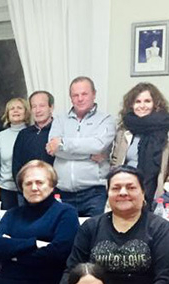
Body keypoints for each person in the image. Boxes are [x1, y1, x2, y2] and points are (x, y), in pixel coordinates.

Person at [110, 83, 169, 210]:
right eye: (137, 101)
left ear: (156, 104)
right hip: (125, 193)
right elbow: (115, 161)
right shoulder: (124, 130)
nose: (142, 106)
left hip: (157, 195)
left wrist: (167, 189)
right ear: (131, 105)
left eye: (147, 101)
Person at [46, 76, 116, 217]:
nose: (80, 98)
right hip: (62, 193)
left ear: (94, 94)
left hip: (94, 193)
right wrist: (88, 154)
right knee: (65, 237)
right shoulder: (60, 119)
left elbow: (98, 145)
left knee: (95, 236)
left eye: (84, 94)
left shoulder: (106, 119)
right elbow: (53, 148)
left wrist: (63, 143)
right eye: (75, 95)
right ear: (70, 98)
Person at [0, 97, 31, 209]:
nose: (15, 111)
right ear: (7, 114)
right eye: (12, 109)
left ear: (26, 112)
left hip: (27, 189)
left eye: (19, 108)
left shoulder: (31, 134)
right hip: (6, 191)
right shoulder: (0, 137)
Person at [12, 91, 55, 181]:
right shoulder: (24, 134)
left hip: (55, 190)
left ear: (51, 108)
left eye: (42, 106)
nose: (37, 110)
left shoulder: (59, 131)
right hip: (28, 190)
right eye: (34, 106)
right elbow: (16, 166)